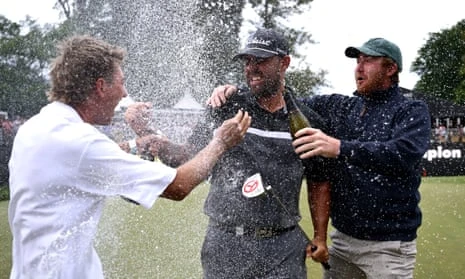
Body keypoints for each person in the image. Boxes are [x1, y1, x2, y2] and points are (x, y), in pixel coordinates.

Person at [7, 35, 251, 279]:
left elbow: (105, 162)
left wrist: (141, 135)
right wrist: (220, 142)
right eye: (121, 83)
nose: (125, 94)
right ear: (101, 86)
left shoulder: (39, 126)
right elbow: (179, 186)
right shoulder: (80, 142)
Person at [208, 37, 431, 278]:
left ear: (390, 69)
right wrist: (237, 91)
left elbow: (403, 153)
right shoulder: (343, 107)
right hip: (342, 242)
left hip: (388, 248)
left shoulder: (411, 110)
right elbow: (280, 98)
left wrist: (339, 148)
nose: (359, 67)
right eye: (358, 61)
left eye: (368, 61)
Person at [127, 28, 331, 278]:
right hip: (226, 242)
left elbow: (319, 181)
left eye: (261, 61)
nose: (252, 68)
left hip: (283, 247)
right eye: (248, 61)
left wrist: (320, 237)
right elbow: (188, 158)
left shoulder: (307, 120)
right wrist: (150, 136)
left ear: (284, 63)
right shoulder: (226, 107)